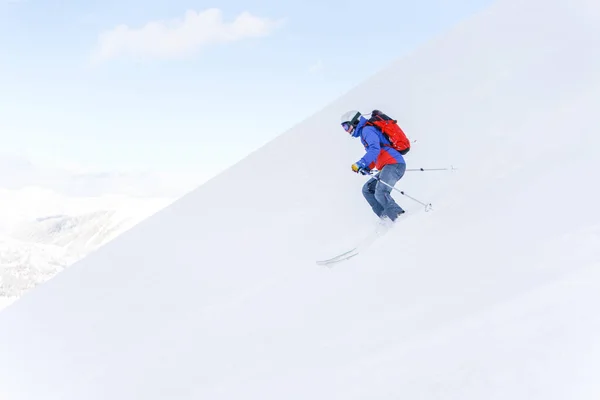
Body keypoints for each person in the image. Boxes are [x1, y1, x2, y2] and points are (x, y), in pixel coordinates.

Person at [340, 110, 406, 222]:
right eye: (344, 128)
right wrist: (366, 167)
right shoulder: (364, 133)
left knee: (381, 192)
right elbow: (375, 154)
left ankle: (399, 217)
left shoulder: (367, 130)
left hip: (394, 164)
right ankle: (386, 219)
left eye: (347, 126)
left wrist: (361, 163)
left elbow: (375, 149)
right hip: (387, 165)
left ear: (355, 122)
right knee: (367, 190)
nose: (347, 131)